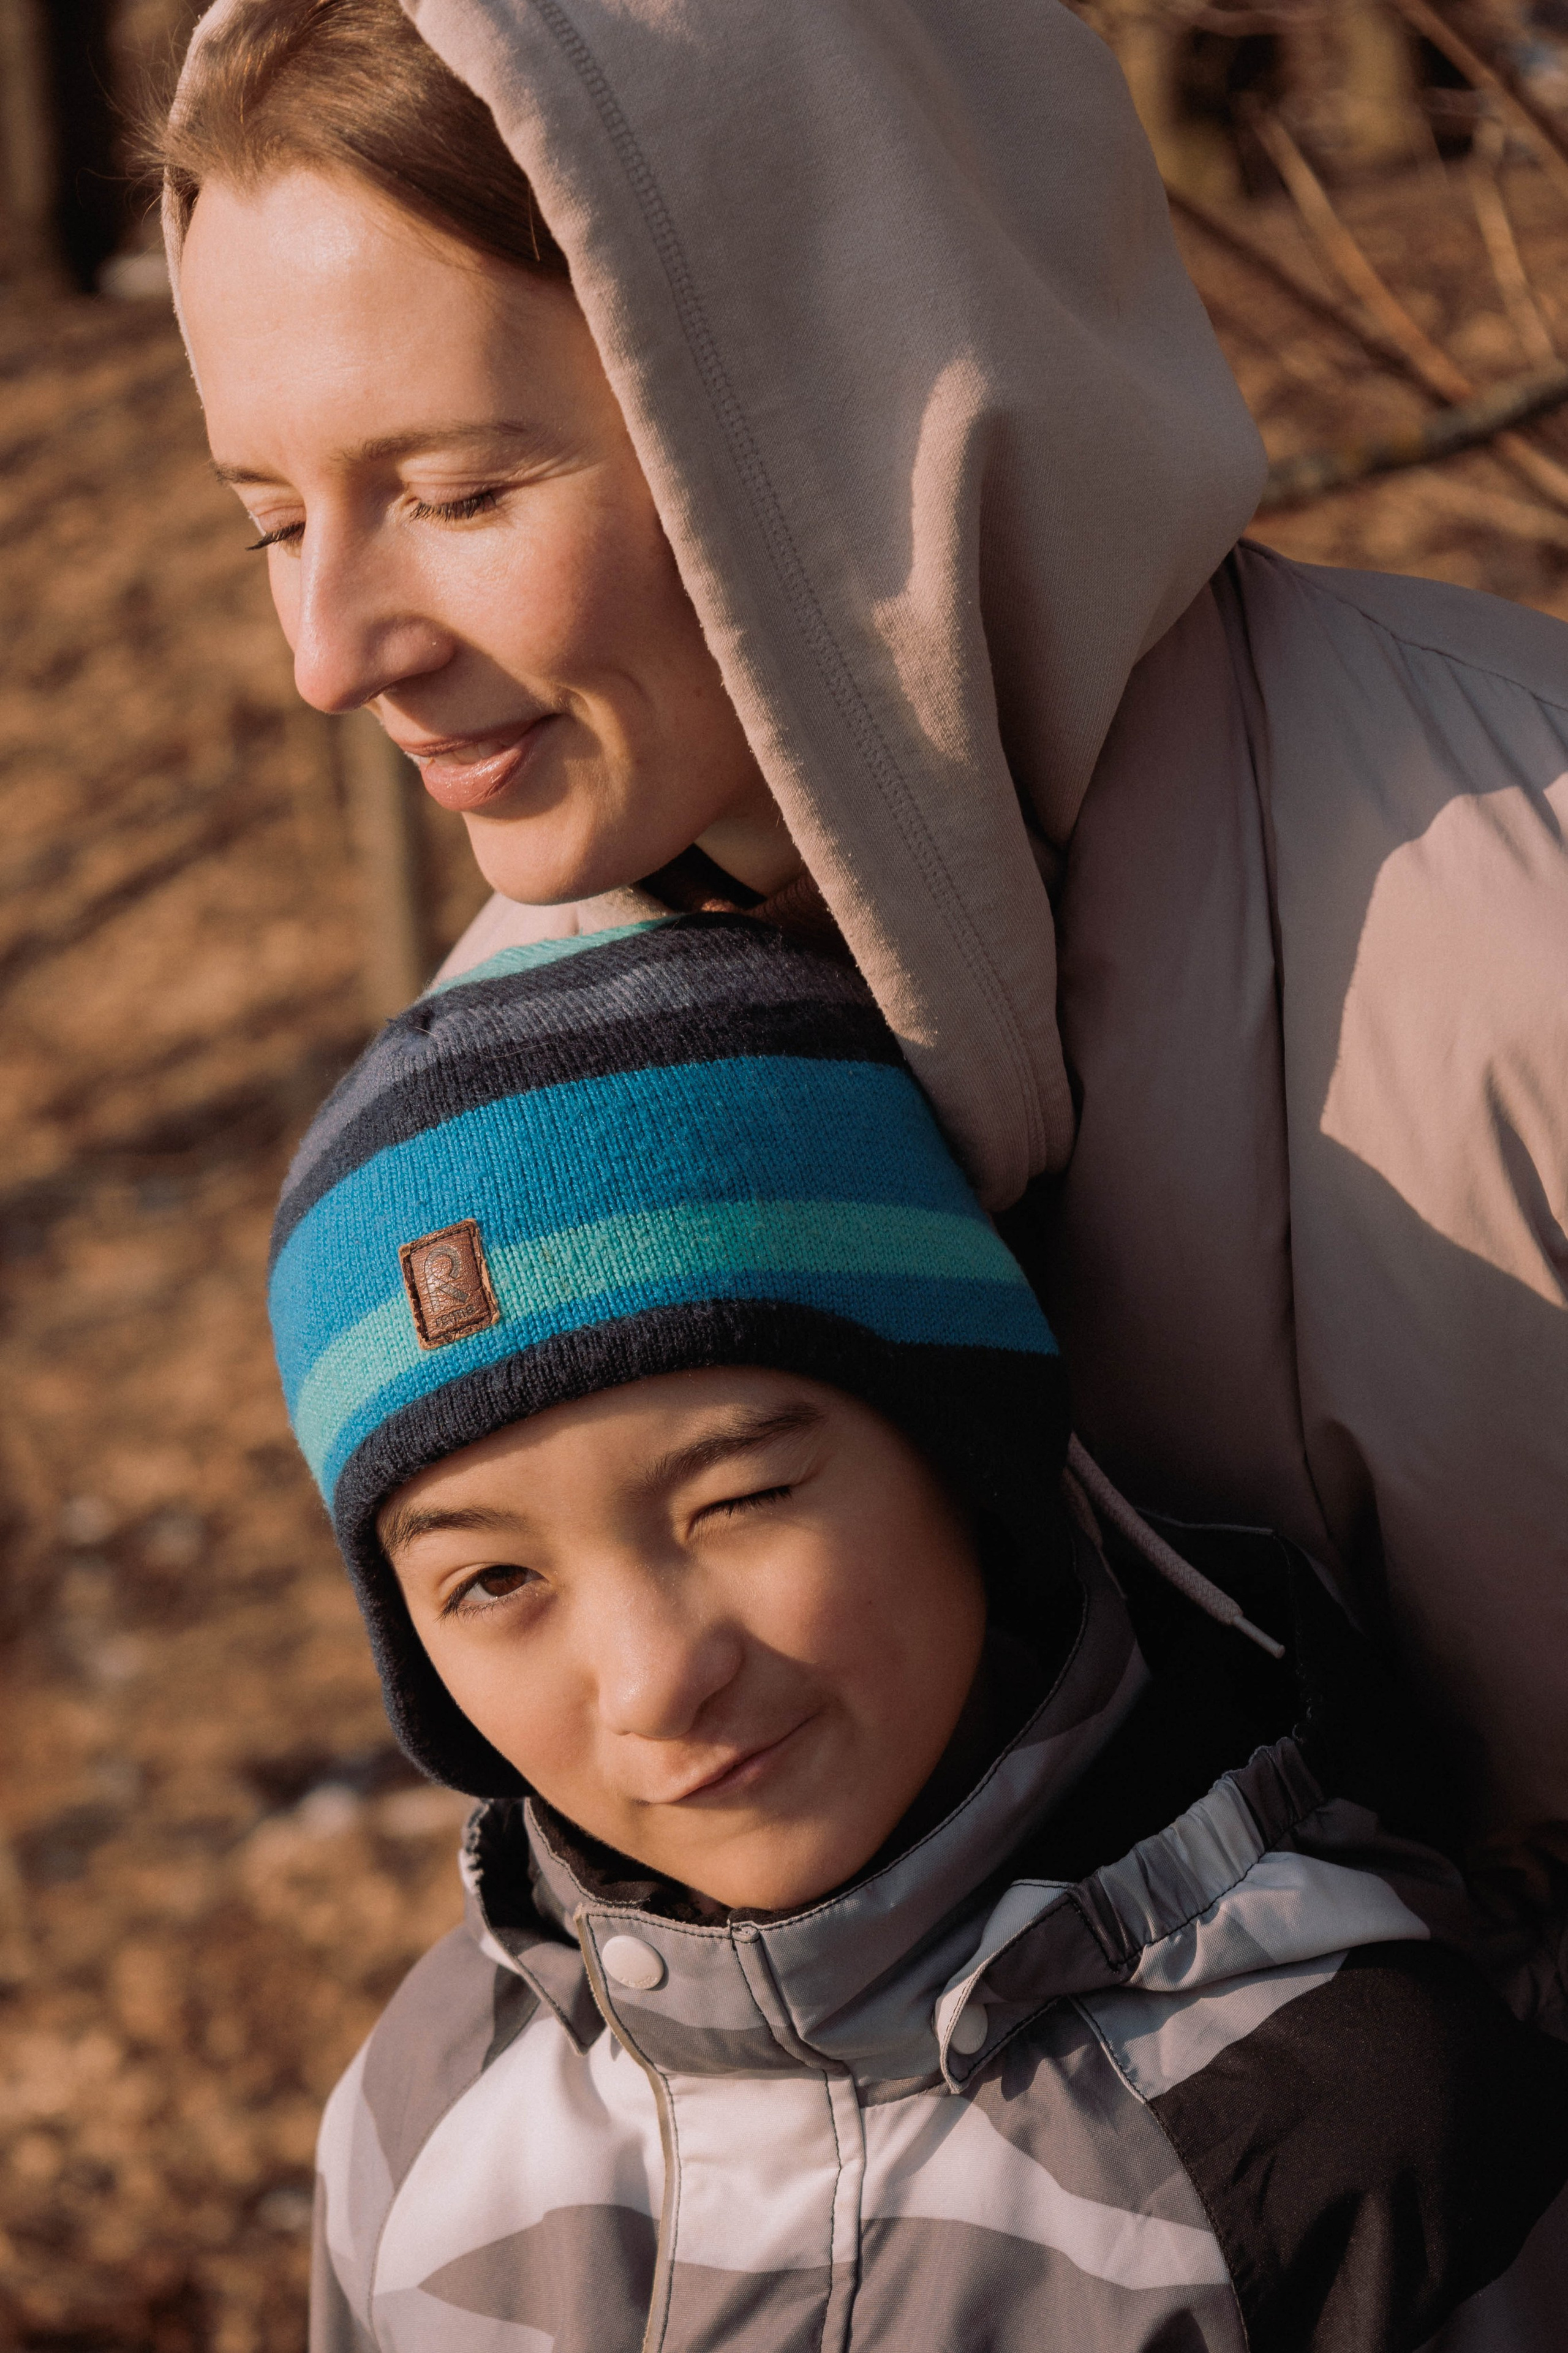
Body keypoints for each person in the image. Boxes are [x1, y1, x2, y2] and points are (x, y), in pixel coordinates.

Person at [157, 0, 1568, 1994]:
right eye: (273, 525)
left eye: (462, 493)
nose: (329, 652)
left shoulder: (1526, 938)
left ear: (833, 414)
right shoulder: (515, 1106)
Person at [266, 910, 1568, 2352]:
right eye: (494, 1583)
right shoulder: (423, 2108)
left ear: (966, 1446)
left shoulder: (1328, 2122)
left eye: (742, 1497)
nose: (653, 1677)